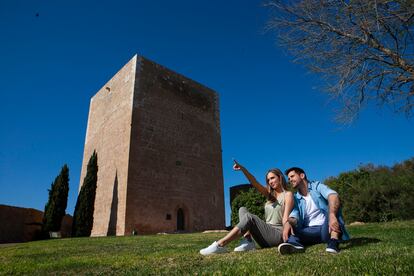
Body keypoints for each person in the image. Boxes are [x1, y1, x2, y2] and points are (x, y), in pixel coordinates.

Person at [200, 160, 294, 256]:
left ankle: (220, 244)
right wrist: (243, 169)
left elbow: (286, 218)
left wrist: (287, 234)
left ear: (280, 177)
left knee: (250, 217)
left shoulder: (288, 194)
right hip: (267, 234)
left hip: (278, 235)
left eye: (272, 178)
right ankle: (248, 241)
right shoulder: (270, 195)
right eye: (268, 180)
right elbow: (254, 182)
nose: (270, 182)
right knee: (242, 209)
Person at [278, 167, 350, 255]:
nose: (290, 180)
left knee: (334, 203)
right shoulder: (296, 198)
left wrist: (331, 215)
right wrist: (289, 222)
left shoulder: (317, 186)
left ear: (302, 175)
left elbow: (333, 195)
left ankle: (333, 242)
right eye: (289, 179)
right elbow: (295, 214)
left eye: (292, 176)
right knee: (291, 223)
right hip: (307, 231)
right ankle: (294, 244)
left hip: (326, 229)